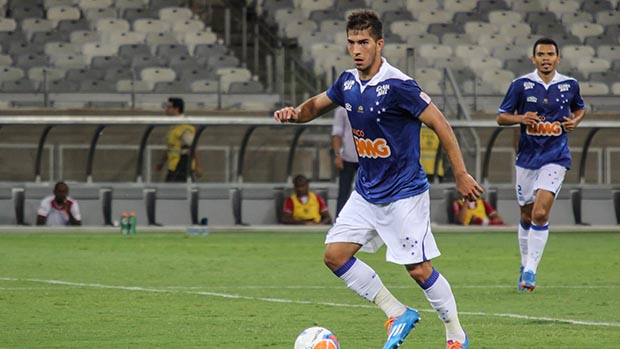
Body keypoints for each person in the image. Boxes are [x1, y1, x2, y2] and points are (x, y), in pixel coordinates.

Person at [273, 10, 482, 349]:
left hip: (404, 193)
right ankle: (396, 312)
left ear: (379, 44)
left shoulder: (399, 85)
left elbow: (441, 124)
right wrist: (294, 114)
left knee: (417, 268)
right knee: (334, 255)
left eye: (364, 42)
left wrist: (460, 173)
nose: (357, 49)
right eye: (352, 43)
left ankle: (456, 335)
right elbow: (314, 106)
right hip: (367, 192)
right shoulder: (347, 83)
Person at [496, 37, 586, 292]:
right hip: (526, 159)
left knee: (540, 213)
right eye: (541, 54)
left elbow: (580, 109)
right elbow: (501, 117)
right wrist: (520, 118)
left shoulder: (570, 85)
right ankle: (525, 264)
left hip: (555, 158)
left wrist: (575, 122)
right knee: (526, 213)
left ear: (558, 58)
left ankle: (532, 271)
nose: (546, 58)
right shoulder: (521, 85)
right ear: (533, 58)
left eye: (550, 54)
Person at [155, 97, 202, 182]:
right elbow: (171, 147)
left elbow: (193, 147)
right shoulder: (174, 126)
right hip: (174, 166)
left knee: (173, 192)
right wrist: (162, 162)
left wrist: (197, 166)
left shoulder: (184, 127)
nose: (166, 110)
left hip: (182, 166)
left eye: (169, 107)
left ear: (176, 109)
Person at [332, 106, 359, 217]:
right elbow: (337, 134)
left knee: (370, 191)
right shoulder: (342, 110)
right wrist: (337, 155)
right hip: (348, 157)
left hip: (367, 157)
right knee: (344, 191)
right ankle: (339, 220)